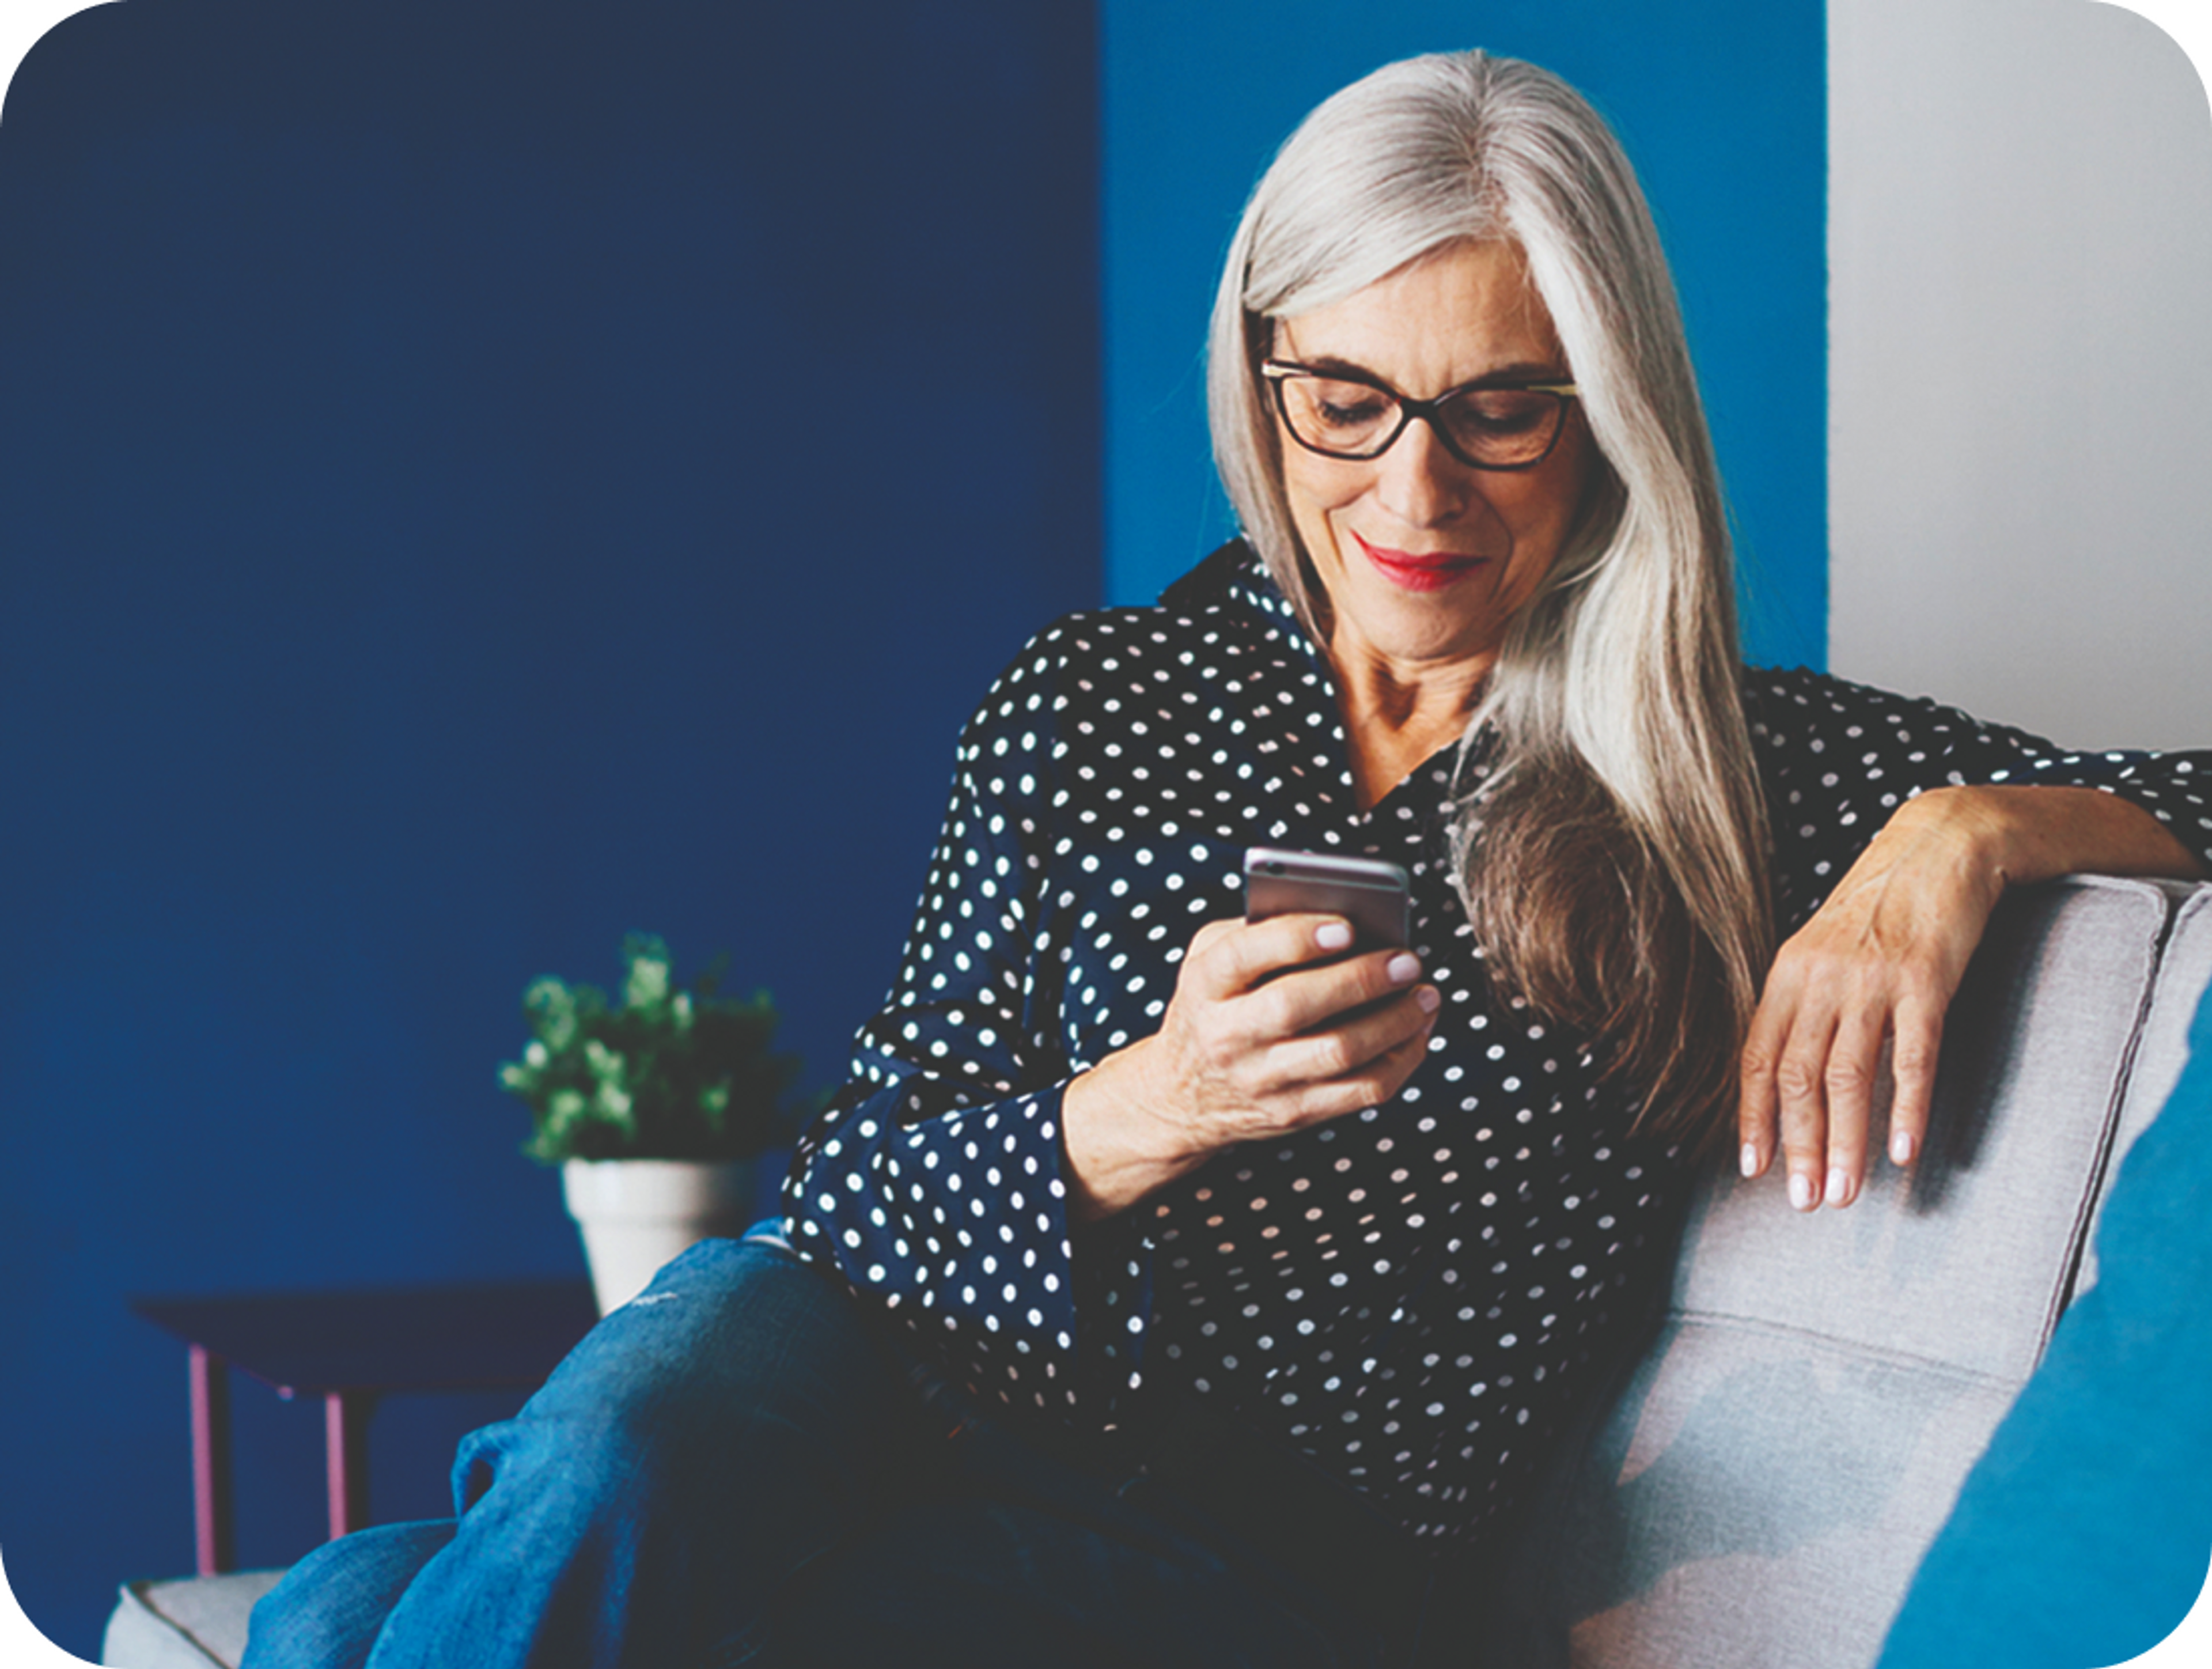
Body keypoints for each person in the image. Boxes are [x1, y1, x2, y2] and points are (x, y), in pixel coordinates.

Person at [243, 49, 2211, 1669]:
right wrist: (1141, 1109)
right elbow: (850, 1181)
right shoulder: (1088, 700)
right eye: (1349, 402)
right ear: (1264, 383)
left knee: (354, 1611)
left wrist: (1967, 834)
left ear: (1606, 422)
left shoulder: (1727, 768)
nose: (1414, 493)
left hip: (1242, 1565)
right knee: (623, 1455)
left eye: (1499, 413)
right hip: (860, 1366)